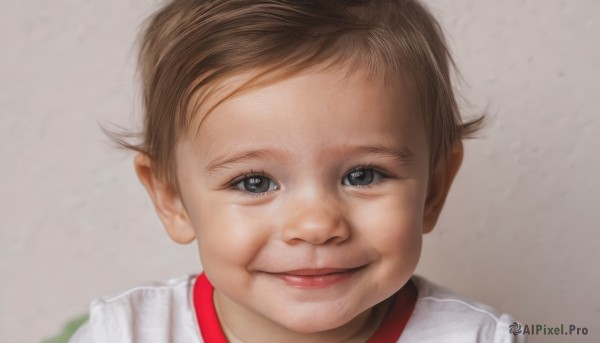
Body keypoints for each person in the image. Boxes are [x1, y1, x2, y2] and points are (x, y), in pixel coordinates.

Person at [70, 0, 525, 342]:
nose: (315, 226)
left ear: (435, 190)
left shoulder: (476, 337)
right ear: (171, 199)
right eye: (255, 182)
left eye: (363, 175)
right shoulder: (125, 333)